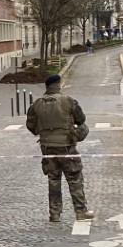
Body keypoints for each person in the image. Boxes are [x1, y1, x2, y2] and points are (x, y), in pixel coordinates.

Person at [25, 72, 90, 222]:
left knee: (53, 180)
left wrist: (42, 132)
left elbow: (30, 125)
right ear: (58, 85)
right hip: (66, 147)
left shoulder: (37, 104)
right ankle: (80, 211)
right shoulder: (68, 101)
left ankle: (54, 213)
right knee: (74, 178)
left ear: (47, 86)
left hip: (47, 148)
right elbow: (81, 119)